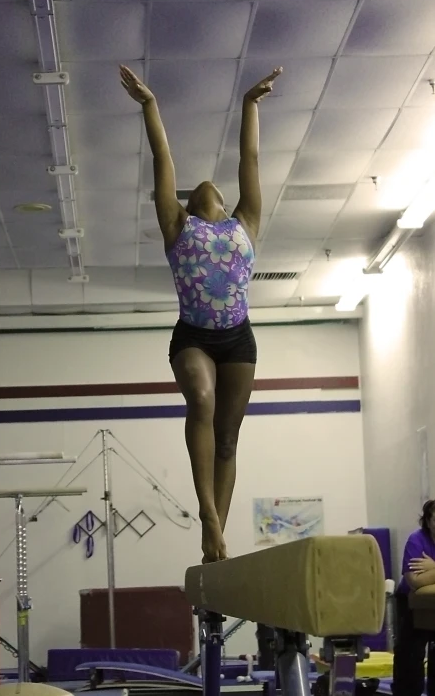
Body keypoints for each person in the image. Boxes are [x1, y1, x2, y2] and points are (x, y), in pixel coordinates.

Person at [120, 63, 283, 563]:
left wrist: (250, 105)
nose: (206, 185)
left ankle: (217, 542)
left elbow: (250, 159)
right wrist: (150, 106)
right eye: (195, 190)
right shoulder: (177, 225)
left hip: (238, 339)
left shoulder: (246, 224)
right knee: (202, 399)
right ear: (188, 206)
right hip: (192, 336)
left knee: (229, 440)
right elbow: (161, 156)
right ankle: (207, 513)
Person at [393, 499, 435, 696]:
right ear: (428, 521)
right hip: (410, 603)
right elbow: (415, 581)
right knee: (410, 653)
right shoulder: (416, 540)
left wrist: (433, 568)